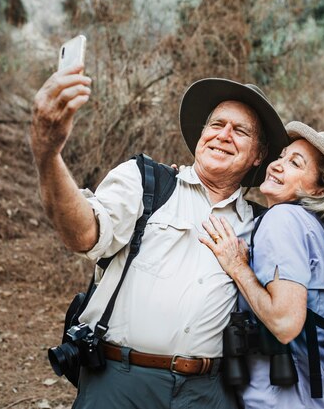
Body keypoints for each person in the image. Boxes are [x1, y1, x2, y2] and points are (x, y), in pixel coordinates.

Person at [29, 63, 290, 409]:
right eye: (216, 124)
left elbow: (294, 307)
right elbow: (83, 233)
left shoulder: (263, 226)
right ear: (201, 135)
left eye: (240, 130)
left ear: (258, 154)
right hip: (120, 384)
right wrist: (48, 156)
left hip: (211, 393)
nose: (223, 134)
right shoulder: (147, 182)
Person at [199, 121, 324, 409]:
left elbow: (285, 323)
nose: (277, 165)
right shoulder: (318, 231)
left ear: (317, 189)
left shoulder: (283, 220)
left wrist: (237, 267)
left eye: (295, 163)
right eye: (282, 156)